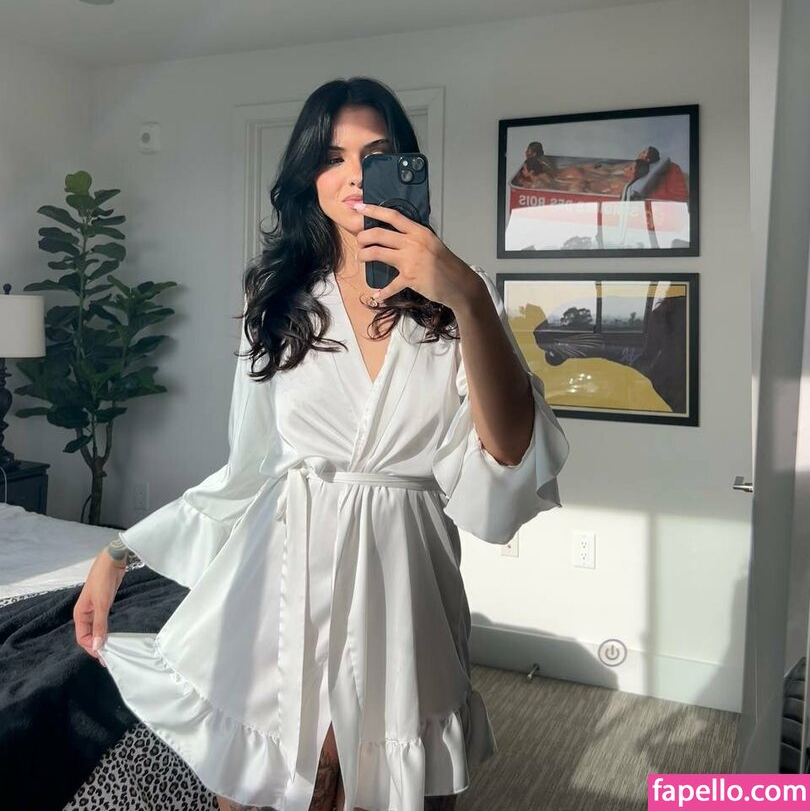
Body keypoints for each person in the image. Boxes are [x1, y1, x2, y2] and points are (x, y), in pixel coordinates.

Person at [73, 77, 570, 811]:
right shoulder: (275, 299)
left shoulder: (461, 296)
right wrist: (120, 551)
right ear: (308, 175)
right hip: (281, 577)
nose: (354, 176)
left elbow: (509, 457)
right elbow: (249, 467)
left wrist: (465, 295)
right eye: (332, 158)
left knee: (396, 781)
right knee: (269, 783)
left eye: (376, 154)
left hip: (407, 586)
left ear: (406, 165)